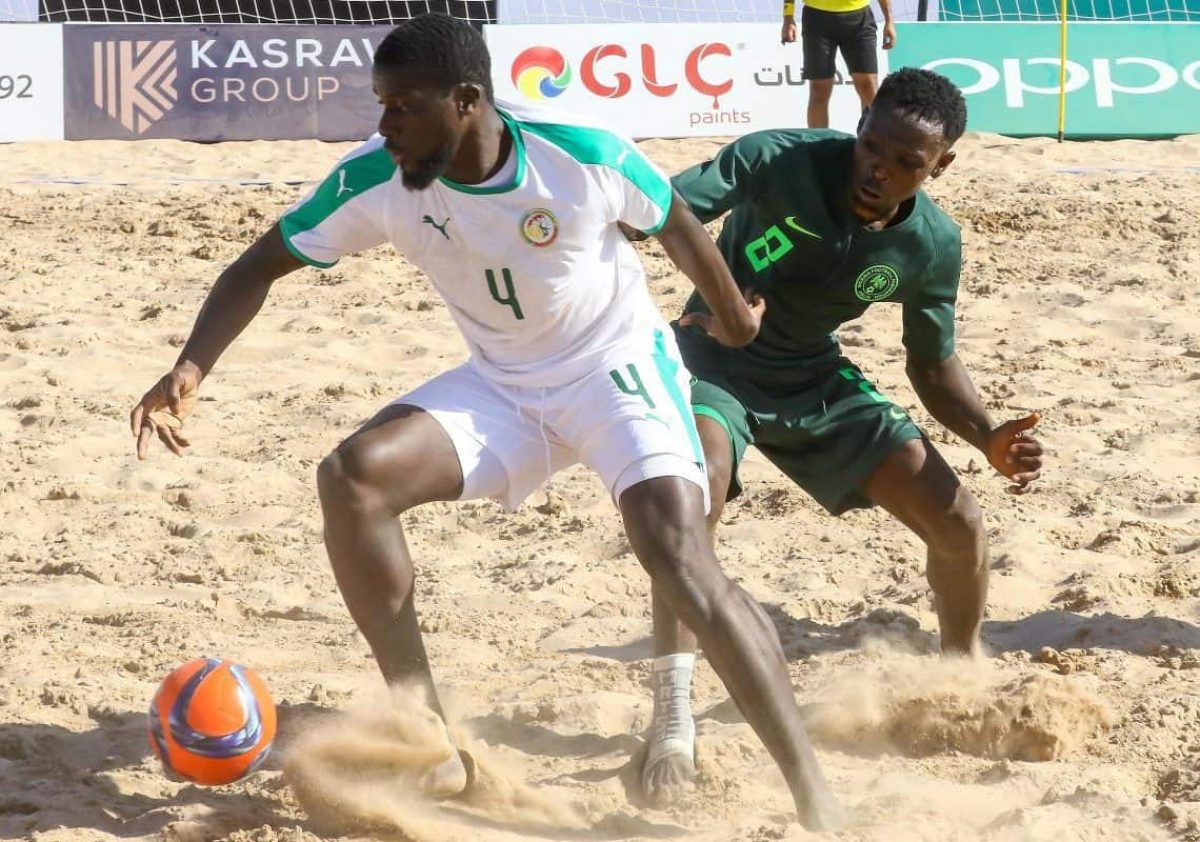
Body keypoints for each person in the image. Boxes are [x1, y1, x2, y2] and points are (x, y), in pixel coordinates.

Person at [128, 13, 843, 831]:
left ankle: (814, 797)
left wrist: (734, 320)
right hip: (504, 387)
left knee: (675, 549)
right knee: (353, 477)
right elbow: (261, 262)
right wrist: (189, 367)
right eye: (380, 104)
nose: (384, 124)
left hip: (614, 368)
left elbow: (674, 223)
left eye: (403, 106)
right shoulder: (374, 179)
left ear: (467, 100)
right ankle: (427, 733)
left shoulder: (584, 155)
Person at [636, 68, 1044, 801]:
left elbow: (931, 361)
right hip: (712, 360)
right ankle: (671, 719)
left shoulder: (932, 244)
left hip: (816, 379)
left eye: (905, 162)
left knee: (959, 523)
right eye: (870, 145)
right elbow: (661, 209)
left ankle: (956, 674)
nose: (877, 169)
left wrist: (985, 433)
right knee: (693, 506)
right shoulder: (779, 158)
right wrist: (728, 306)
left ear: (940, 165)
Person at [781, 0, 897, 129]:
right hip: (816, 19)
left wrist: (889, 20)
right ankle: (818, 144)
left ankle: (873, 144)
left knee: (868, 88)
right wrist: (788, 17)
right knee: (819, 89)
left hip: (859, 19)